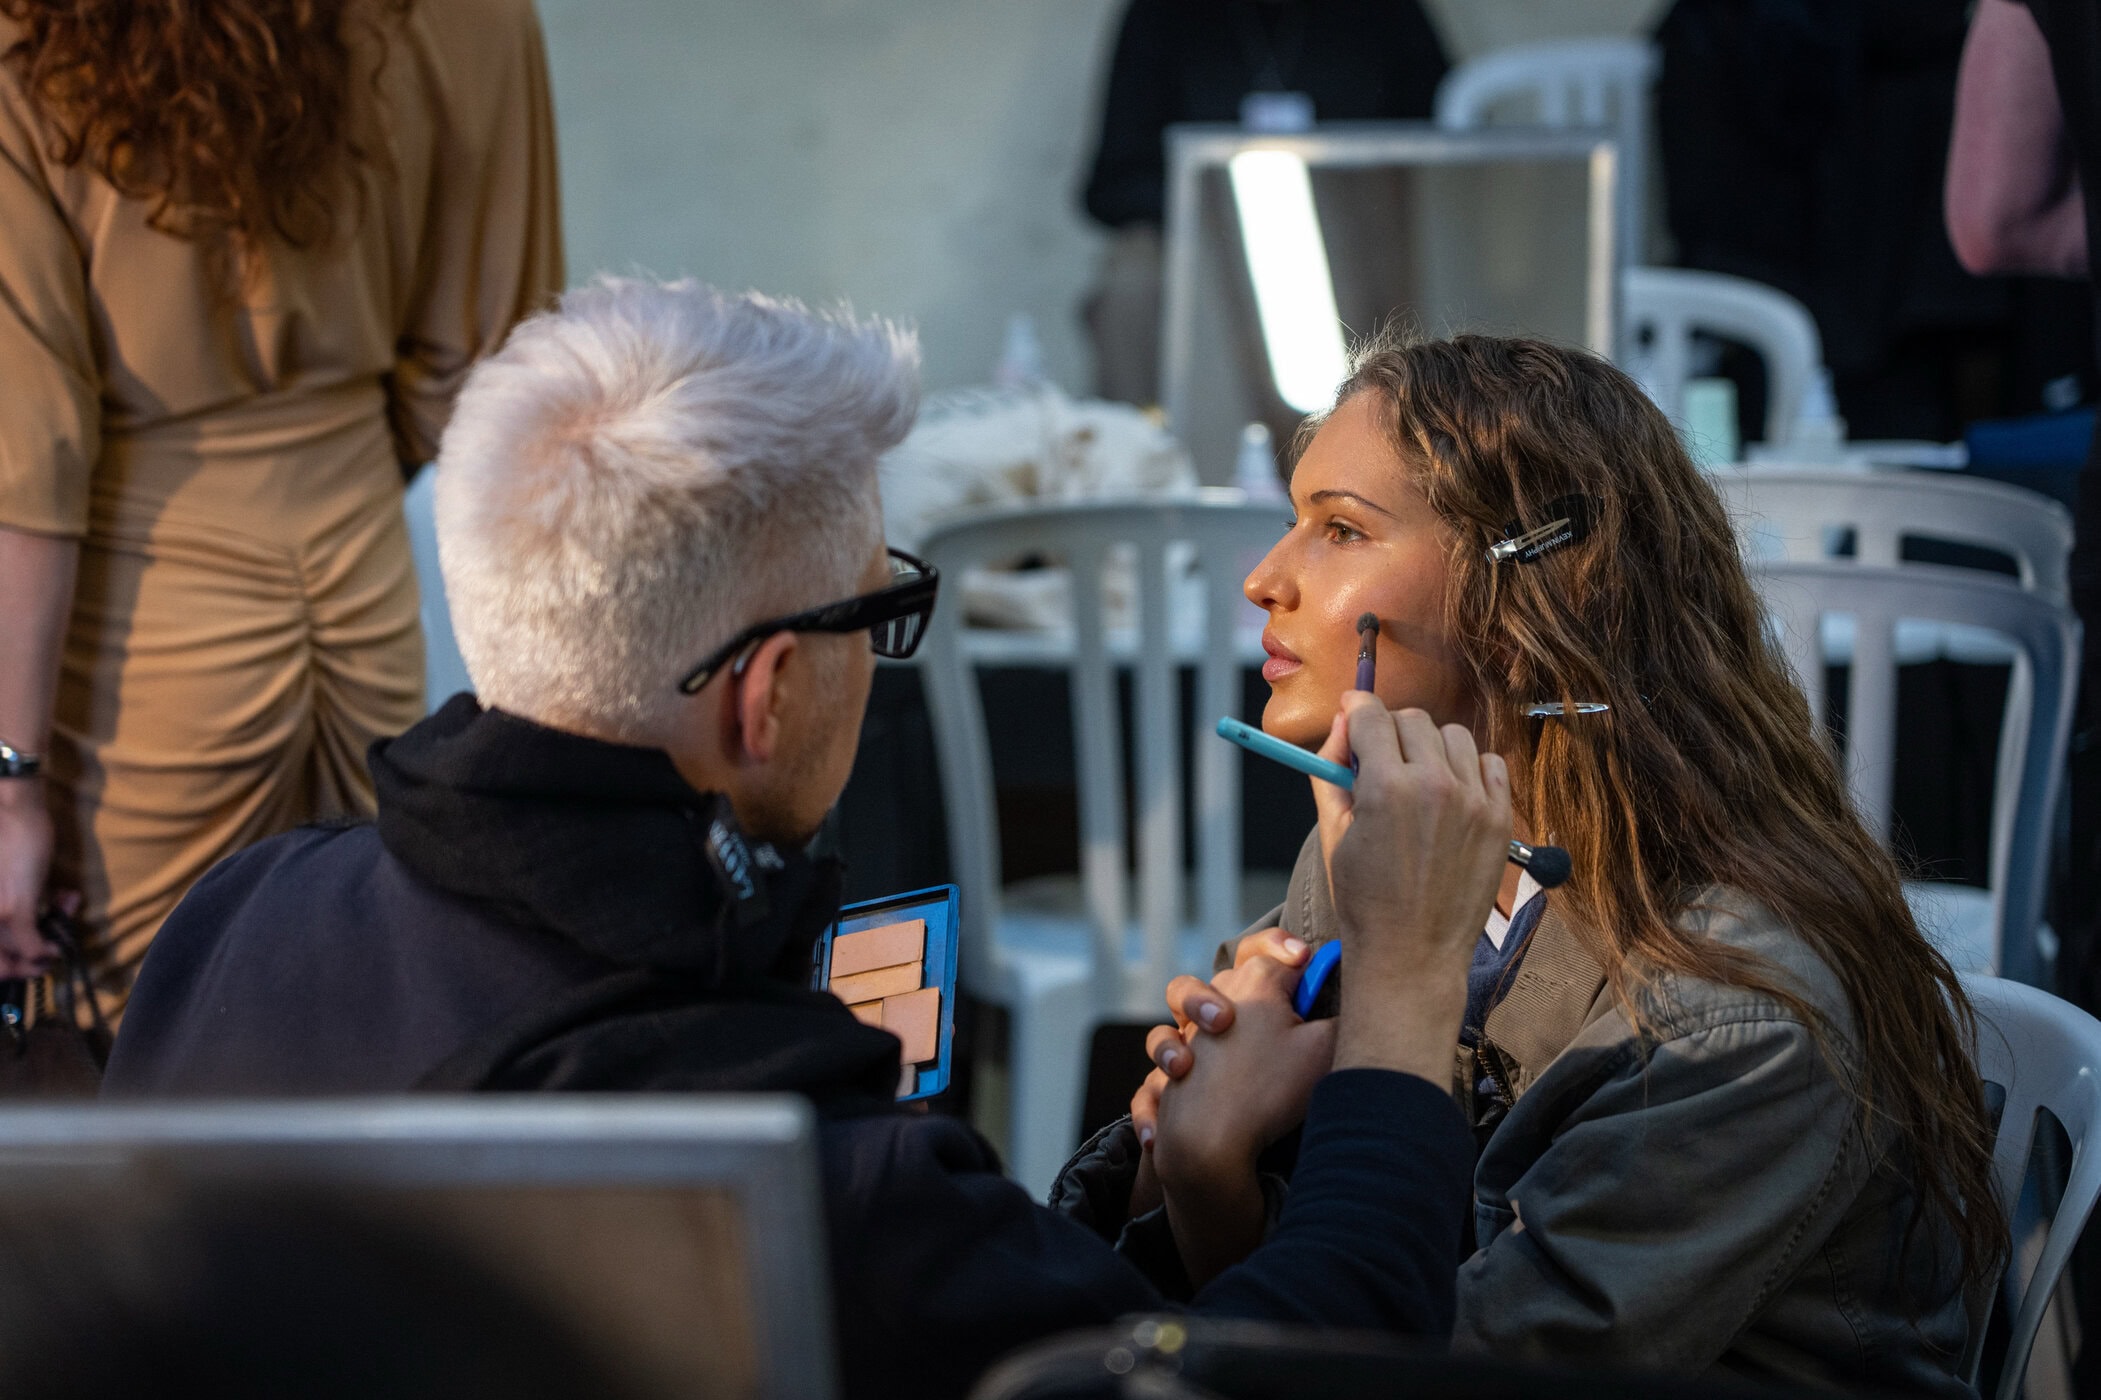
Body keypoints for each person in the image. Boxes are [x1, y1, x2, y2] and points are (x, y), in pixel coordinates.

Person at [102, 278, 1510, 1400]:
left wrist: (1182, 1177)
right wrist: (1401, 995)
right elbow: (1297, 1376)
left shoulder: (241, 914)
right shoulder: (780, 1161)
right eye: (878, 614)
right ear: (767, 692)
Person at [1085, 333, 2005, 1394]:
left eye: (1339, 529)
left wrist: (1238, 1155)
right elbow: (1309, 1301)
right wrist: (1180, 1160)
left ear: (1530, 596)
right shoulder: (1373, 852)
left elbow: (1447, 1378)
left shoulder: (1733, 1018)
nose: (1263, 578)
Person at [0, 0, 564, 1011]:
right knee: (351, 1020)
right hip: (364, 596)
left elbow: (27, 460)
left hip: (129, 660)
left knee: (149, 1051)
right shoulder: (466, 15)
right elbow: (485, 374)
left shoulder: (27, 42)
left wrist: (10, 784)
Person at [1077, 0, 1447, 405]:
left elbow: (1447, 148)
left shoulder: (1386, 11)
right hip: (1203, 237)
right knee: (1132, 287)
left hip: (1348, 229)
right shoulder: (1161, 14)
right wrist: (1224, 196)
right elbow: (1114, 181)